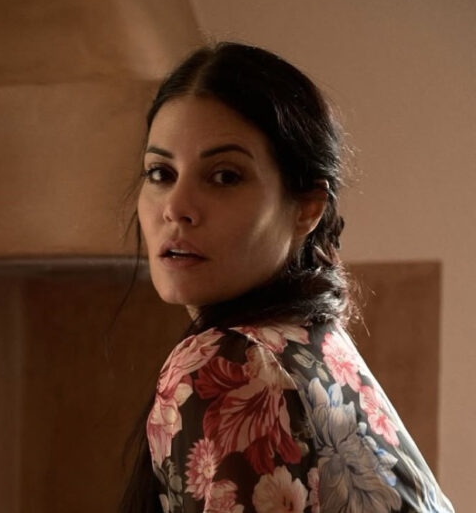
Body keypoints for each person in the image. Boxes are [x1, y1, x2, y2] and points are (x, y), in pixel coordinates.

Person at [118, 42, 454, 513]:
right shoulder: (313, 347)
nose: (175, 208)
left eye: (225, 176)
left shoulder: (233, 365)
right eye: (160, 173)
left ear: (307, 208)